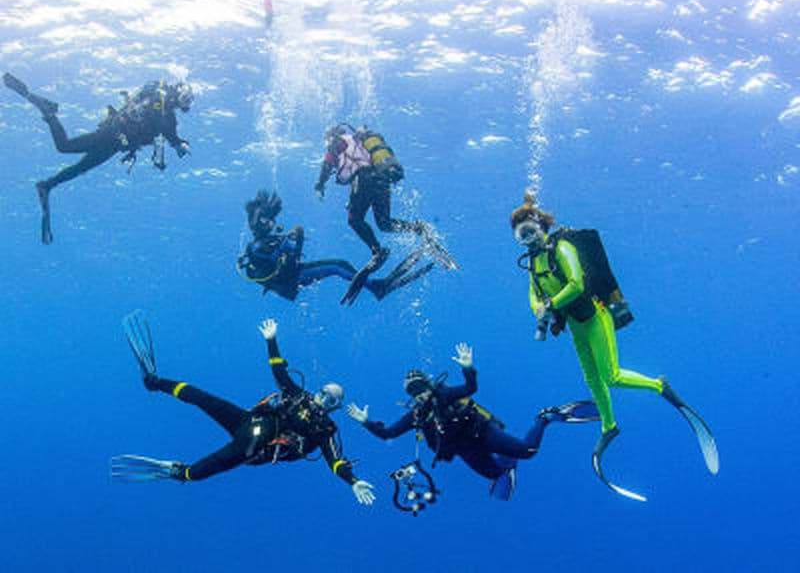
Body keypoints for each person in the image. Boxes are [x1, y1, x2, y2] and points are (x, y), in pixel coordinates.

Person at [510, 193, 719, 500]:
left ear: (541, 225)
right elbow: (533, 292)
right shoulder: (532, 262)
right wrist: (539, 310)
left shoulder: (562, 248)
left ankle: (659, 385)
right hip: (575, 325)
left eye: (529, 229)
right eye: (520, 233)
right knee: (591, 379)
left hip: (595, 317)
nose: (526, 236)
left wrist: (551, 303)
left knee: (610, 376)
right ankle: (609, 426)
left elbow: (577, 284)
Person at [110, 311, 376, 506]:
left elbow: (335, 461)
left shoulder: (325, 429)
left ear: (336, 408)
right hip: (247, 422)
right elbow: (280, 374)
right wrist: (271, 340)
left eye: (332, 400)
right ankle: (155, 382)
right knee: (204, 398)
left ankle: (179, 472)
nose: (324, 399)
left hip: (256, 447)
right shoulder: (300, 395)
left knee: (201, 470)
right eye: (324, 393)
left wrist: (353, 482)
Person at [347, 342, 598, 500]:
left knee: (528, 451)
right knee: (496, 474)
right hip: (465, 449)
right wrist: (366, 421)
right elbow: (388, 434)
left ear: (429, 384)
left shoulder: (444, 394)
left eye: (421, 387)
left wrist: (468, 367)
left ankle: (545, 418)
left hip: (482, 432)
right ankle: (506, 463)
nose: (419, 393)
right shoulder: (416, 415)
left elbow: (470, 387)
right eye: (413, 392)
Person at [2, 73, 193, 244]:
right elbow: (158, 119)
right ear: (178, 92)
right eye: (185, 98)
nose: (184, 103)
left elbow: (170, 133)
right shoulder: (158, 97)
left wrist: (179, 144)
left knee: (80, 168)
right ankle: (47, 110)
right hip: (112, 133)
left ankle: (48, 185)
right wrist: (174, 142)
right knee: (64, 147)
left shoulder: (169, 117)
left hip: (116, 144)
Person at [237, 189, 435, 305]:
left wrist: (293, 240)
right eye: (269, 221)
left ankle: (376, 285)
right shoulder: (259, 246)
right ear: (261, 223)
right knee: (338, 266)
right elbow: (288, 256)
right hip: (290, 279)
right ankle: (376, 287)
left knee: (339, 265)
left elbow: (287, 256)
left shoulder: (261, 243)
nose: (273, 224)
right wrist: (297, 239)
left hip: (288, 278)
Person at [314, 124, 457, 274]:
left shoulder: (336, 142)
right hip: (382, 178)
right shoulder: (359, 140)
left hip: (363, 178)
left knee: (354, 220)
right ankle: (419, 228)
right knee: (384, 223)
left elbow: (327, 164)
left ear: (331, 135)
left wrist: (320, 184)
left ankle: (377, 252)